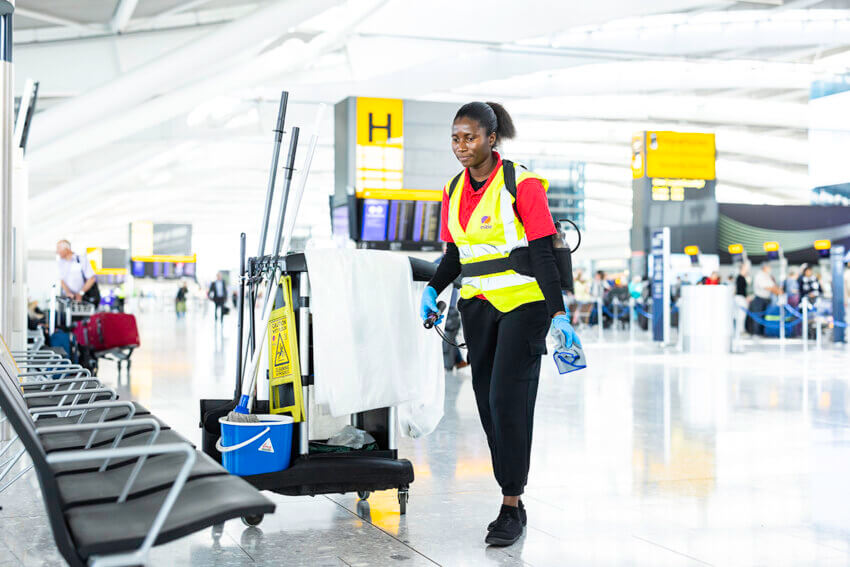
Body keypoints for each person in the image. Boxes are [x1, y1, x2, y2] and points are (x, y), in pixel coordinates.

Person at [419, 101, 580, 547]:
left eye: (470, 137)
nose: (461, 146)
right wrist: (433, 288)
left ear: (492, 138)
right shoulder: (452, 190)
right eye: (455, 137)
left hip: (524, 305)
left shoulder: (521, 184)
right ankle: (511, 490)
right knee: (488, 407)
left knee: (507, 400)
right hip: (477, 306)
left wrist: (558, 314)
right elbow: (456, 256)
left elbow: (544, 253)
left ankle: (511, 505)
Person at [55, 239, 100, 306]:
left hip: (84, 299)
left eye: (58, 249)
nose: (57, 252)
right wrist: (68, 293)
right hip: (68, 300)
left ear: (66, 249)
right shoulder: (60, 263)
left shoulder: (81, 260)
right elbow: (61, 280)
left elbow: (91, 278)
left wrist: (80, 293)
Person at [750, 263, 782, 336]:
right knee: (758, 317)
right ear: (764, 267)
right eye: (769, 267)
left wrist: (778, 290)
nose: (770, 269)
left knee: (765, 317)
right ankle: (757, 333)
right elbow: (765, 286)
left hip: (767, 299)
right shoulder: (759, 275)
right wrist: (777, 291)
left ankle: (762, 333)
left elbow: (772, 285)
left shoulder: (767, 276)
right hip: (759, 299)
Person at [733, 263, 750, 343]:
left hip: (739, 298)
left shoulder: (741, 277)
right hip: (740, 298)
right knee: (741, 316)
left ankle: (740, 330)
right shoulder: (740, 278)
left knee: (740, 316)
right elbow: (741, 290)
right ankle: (740, 331)